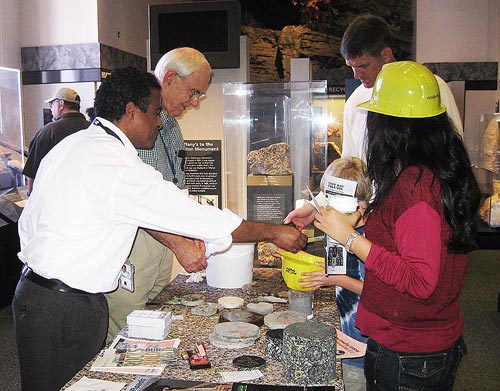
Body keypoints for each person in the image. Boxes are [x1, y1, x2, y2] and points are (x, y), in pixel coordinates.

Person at [13, 67, 307, 391]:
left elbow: (28, 226)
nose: (160, 121)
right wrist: (274, 232)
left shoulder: (76, 145)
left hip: (42, 295)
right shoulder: (115, 164)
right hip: (62, 308)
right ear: (130, 111)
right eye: (154, 113)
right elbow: (197, 217)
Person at [314, 61, 480, 391]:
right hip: (427, 339)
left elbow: (419, 279)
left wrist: (349, 238)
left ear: (389, 125)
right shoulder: (433, 172)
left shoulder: (416, 188)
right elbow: (406, 236)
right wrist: (350, 216)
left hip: (410, 351)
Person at [105, 47, 212, 342]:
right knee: (127, 321)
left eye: (199, 95)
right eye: (193, 92)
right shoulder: (132, 121)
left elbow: (174, 186)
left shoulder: (171, 123)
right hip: (136, 238)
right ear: (169, 79)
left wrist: (187, 231)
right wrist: (179, 243)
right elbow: (135, 203)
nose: (195, 102)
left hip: (164, 236)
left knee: (154, 310)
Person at [340, 14, 463, 162]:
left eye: (363, 66)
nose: (356, 75)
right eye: (351, 67)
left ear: (385, 55)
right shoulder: (354, 102)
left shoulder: (433, 88)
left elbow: (455, 155)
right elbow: (350, 168)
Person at [299, 157, 372, 391]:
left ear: (361, 205)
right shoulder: (339, 224)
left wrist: (335, 278)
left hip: (362, 343)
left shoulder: (368, 237)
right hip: (347, 330)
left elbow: (376, 289)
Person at [22, 87, 90, 195]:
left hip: (56, 196)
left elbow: (33, 170)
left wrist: (31, 194)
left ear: (61, 104)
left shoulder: (49, 131)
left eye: (52, 104)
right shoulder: (92, 129)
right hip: (87, 194)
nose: (51, 109)